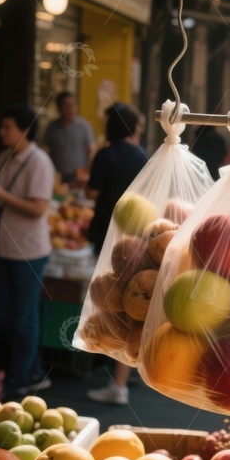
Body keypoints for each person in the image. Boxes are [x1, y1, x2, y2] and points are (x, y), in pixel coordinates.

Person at [0, 106, 56, 397]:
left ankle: (21, 377)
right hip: (3, 248)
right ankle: (30, 370)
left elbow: (38, 208)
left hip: (28, 252)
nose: (2, 132)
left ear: (25, 130)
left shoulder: (39, 162)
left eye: (8, 127)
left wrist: (1, 195)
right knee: (4, 316)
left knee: (23, 318)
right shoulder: (4, 157)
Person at [85, 104, 148, 405]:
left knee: (108, 302)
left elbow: (90, 193)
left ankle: (116, 379)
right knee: (129, 309)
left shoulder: (105, 155)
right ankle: (121, 374)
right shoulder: (142, 156)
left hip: (107, 238)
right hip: (136, 239)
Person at [42, 92, 96, 183]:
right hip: (57, 175)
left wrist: (85, 170)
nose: (71, 109)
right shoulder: (52, 127)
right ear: (59, 108)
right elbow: (45, 150)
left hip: (78, 176)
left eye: (73, 105)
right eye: (66, 106)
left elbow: (92, 149)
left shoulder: (84, 126)